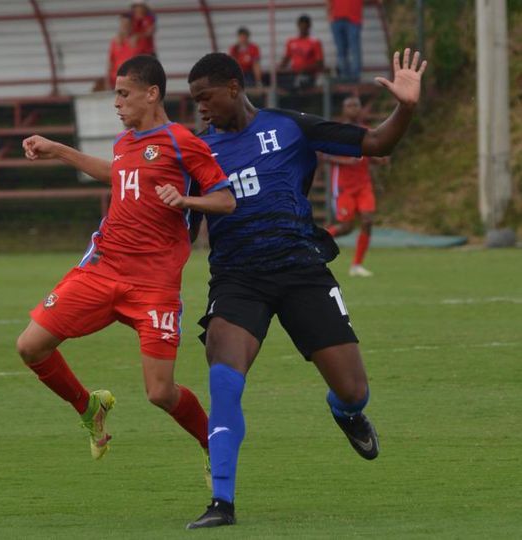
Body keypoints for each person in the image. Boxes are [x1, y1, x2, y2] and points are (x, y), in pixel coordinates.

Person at [183, 49, 426, 528]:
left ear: (233, 87)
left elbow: (374, 143)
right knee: (224, 378)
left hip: (301, 272)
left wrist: (407, 107)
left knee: (354, 390)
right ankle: (222, 503)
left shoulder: (289, 127)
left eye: (205, 97)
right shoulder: (196, 151)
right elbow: (182, 232)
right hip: (237, 279)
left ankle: (347, 413)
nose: (201, 108)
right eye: (194, 101)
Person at [16, 56, 234, 470]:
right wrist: (58, 150)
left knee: (160, 393)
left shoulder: (182, 141)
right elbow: (117, 174)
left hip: (154, 284)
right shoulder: (125, 143)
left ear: (151, 94)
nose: (116, 103)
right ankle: (89, 408)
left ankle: (215, 450)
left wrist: (186, 200)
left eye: (123, 93)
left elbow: (225, 199)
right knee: (30, 346)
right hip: (103, 268)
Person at [324, 96, 389, 277]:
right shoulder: (336, 132)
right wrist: (346, 161)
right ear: (343, 110)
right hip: (344, 186)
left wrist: (380, 159)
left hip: (363, 185)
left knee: (368, 220)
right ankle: (314, 239)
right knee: (345, 227)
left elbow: (369, 156)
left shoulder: (366, 131)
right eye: (349, 106)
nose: (353, 109)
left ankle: (356, 265)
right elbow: (325, 156)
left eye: (356, 105)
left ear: (360, 109)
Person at [277, 14, 324, 90]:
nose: (303, 28)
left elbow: (320, 64)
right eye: (301, 25)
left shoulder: (315, 42)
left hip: (308, 75)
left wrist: (305, 68)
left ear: (309, 26)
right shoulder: (291, 42)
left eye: (305, 26)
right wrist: (278, 70)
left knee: (298, 83)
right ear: (298, 26)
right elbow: (286, 60)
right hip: (293, 74)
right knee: (275, 81)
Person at [328, 0, 363, 82]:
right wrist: (329, 15)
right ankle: (343, 76)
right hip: (336, 19)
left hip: (353, 19)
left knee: (354, 49)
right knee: (341, 51)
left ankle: (355, 77)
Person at [107, 13, 139, 89]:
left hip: (131, 83)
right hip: (116, 82)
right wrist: (107, 82)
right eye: (123, 24)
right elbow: (110, 63)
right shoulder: (115, 42)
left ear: (131, 25)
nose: (125, 26)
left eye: (127, 24)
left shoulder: (136, 41)